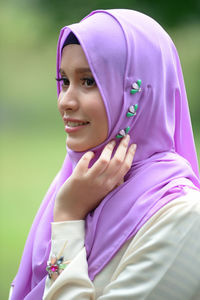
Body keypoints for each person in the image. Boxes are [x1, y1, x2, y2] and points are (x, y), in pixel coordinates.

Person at [10, 9, 200, 300]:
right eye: (63, 81)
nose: (65, 101)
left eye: (89, 81)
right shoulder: (80, 183)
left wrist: (68, 218)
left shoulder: (182, 216)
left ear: (140, 93)